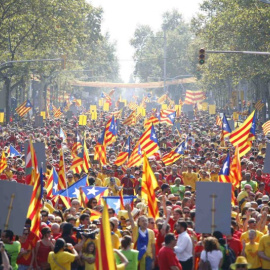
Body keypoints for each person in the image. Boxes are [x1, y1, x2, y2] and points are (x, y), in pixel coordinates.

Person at [126, 204, 156, 270]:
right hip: (138, 256)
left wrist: (153, 259)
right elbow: (131, 220)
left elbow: (153, 246)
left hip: (148, 257)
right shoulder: (136, 230)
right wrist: (129, 211)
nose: (145, 222)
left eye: (146, 221)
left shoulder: (151, 232)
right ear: (139, 223)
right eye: (142, 221)